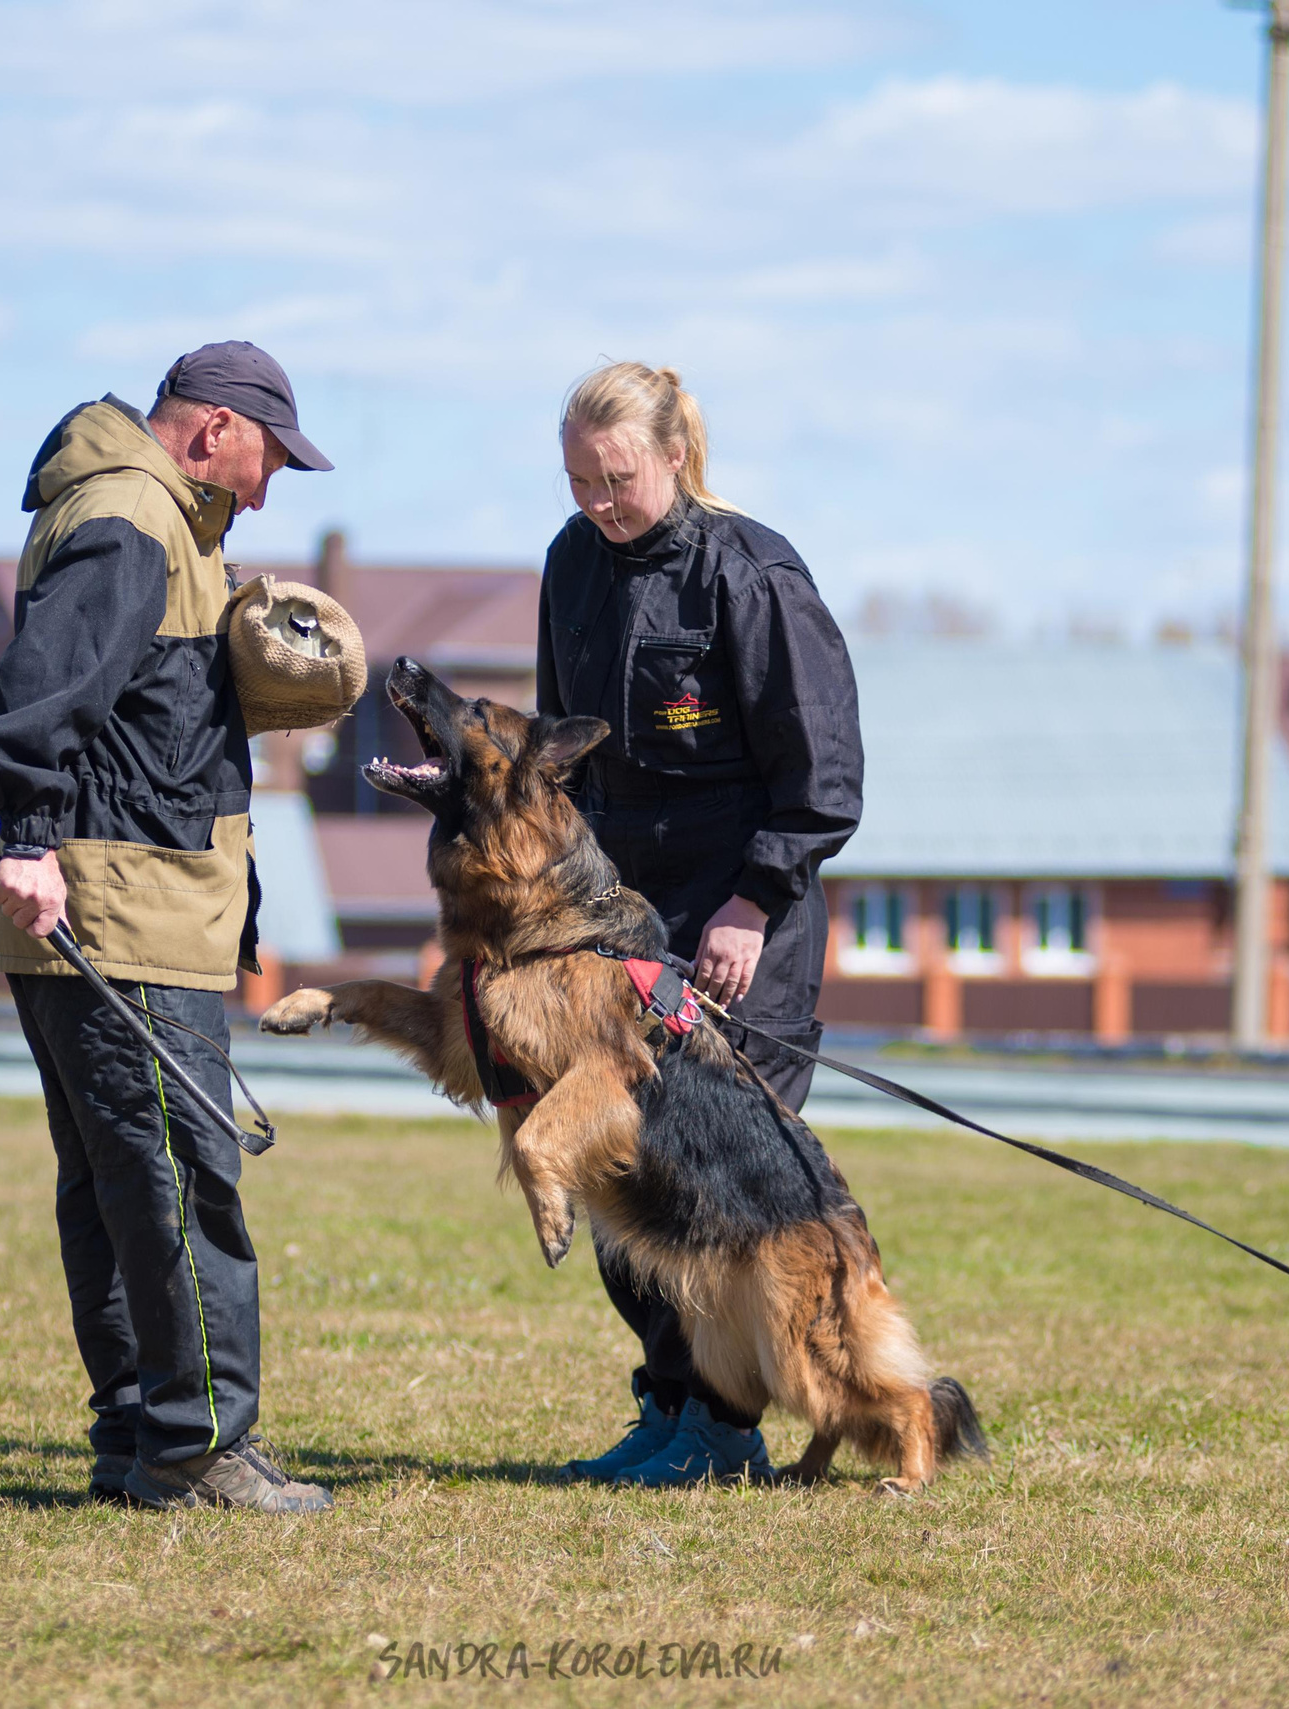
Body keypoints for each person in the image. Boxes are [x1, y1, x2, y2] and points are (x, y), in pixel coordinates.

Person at [0, 342, 337, 1513]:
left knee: (119, 1183)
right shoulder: (132, 519)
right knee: (179, 1180)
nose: (265, 492)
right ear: (213, 430)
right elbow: (37, 698)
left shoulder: (151, 518)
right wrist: (26, 837)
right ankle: (197, 1442)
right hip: (121, 912)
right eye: (267, 462)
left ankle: (138, 1435)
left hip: (116, 907)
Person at [536, 361, 864, 1487]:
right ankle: (669, 1405)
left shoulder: (751, 572)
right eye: (578, 480)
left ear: (674, 456)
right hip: (617, 916)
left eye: (616, 478)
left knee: (710, 1187)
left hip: (736, 920)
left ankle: (723, 1429)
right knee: (622, 1173)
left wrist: (753, 902)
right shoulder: (570, 563)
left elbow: (821, 774)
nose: (597, 503)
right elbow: (560, 748)